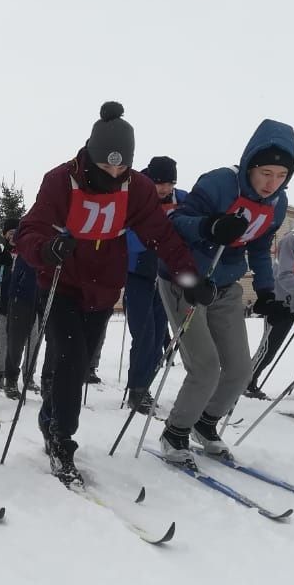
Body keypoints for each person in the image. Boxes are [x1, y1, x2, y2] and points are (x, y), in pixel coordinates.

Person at [16, 102, 200, 484]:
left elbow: (161, 236)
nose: (114, 174)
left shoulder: (137, 188)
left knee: (78, 365)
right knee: (70, 358)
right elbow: (29, 230)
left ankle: (51, 411)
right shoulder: (60, 180)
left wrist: (189, 278)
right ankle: (62, 440)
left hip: (103, 289)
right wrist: (47, 248)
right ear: (91, 154)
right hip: (61, 282)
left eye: (122, 167)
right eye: (106, 167)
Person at [158, 119, 294, 465]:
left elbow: (262, 248)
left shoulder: (278, 204)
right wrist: (211, 226)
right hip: (187, 281)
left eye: (281, 176)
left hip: (226, 284)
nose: (272, 183)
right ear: (250, 164)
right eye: (266, 172)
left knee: (239, 369)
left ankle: (205, 424)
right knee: (205, 366)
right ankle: (175, 431)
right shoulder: (219, 183)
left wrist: (266, 291)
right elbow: (176, 223)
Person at [244, 216, 294, 398]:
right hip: (282, 301)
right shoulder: (292, 239)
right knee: (269, 348)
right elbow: (284, 275)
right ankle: (246, 383)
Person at [124, 155, 181, 413]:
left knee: (159, 336)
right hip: (137, 274)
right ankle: (136, 390)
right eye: (160, 183)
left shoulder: (177, 200)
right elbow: (126, 238)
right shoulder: (136, 196)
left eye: (170, 183)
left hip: (163, 277)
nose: (165, 189)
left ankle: (143, 386)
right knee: (144, 335)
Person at [1, 243, 41, 400]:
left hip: (43, 294)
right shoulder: (29, 237)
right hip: (22, 296)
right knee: (15, 343)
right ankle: (10, 379)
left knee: (36, 341)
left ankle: (34, 377)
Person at [0, 218, 20, 392]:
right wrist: (0, 258)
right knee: (3, 340)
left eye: (16, 232)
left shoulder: (24, 251)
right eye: (10, 232)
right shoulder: (2, 250)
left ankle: (16, 374)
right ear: (5, 234)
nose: (13, 236)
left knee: (17, 343)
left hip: (22, 303)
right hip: (4, 302)